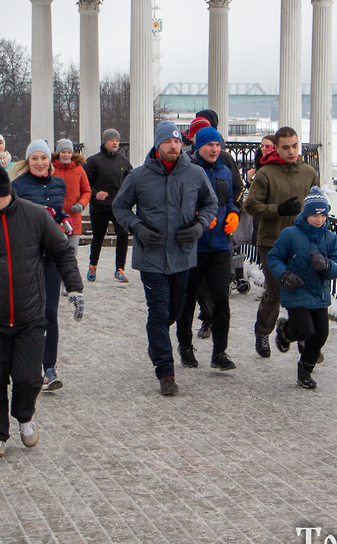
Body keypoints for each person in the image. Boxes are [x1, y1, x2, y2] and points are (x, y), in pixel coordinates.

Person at [0, 162, 84, 458]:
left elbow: (62, 251)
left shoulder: (35, 216)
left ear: (1, 194)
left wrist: (74, 287)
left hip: (30, 316)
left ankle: (24, 416)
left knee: (28, 378)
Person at [112, 121, 218, 396]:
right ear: (158, 145)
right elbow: (120, 206)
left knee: (174, 310)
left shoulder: (194, 174)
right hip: (152, 257)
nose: (174, 146)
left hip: (183, 256)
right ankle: (165, 372)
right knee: (158, 312)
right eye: (168, 142)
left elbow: (210, 203)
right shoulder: (139, 176)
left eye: (177, 142)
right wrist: (137, 227)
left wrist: (199, 226)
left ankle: (155, 340)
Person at [243, 126, 318, 358]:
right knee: (275, 291)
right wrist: (279, 209)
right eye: (285, 147)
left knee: (303, 294)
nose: (291, 151)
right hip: (272, 242)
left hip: (302, 243)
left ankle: (304, 341)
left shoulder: (309, 173)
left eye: (295, 145)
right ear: (276, 148)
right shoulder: (266, 174)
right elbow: (251, 206)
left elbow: (318, 202)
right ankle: (263, 331)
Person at [11, 139, 75, 391]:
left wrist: (64, 218)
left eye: (43, 158)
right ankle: (22, 364)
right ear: (28, 161)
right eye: (34, 158)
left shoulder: (59, 183)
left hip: (51, 254)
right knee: (25, 312)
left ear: (50, 160)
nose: (39, 163)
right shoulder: (17, 186)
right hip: (26, 256)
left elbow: (58, 211)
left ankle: (49, 367)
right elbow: (12, 217)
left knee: (50, 312)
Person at [175, 127, 238, 372]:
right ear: (198, 146)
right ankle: (186, 346)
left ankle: (219, 352)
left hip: (221, 245)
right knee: (187, 298)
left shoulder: (225, 170)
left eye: (218, 145)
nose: (214, 149)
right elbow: (180, 205)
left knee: (221, 299)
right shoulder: (188, 171)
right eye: (210, 145)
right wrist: (197, 217)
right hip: (195, 245)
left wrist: (234, 213)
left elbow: (230, 200)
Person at [267, 186, 337, 389]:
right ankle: (286, 330)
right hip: (296, 289)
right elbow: (274, 257)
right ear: (306, 215)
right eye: (314, 216)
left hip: (319, 292)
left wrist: (328, 265)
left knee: (320, 334)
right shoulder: (290, 234)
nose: (319, 220)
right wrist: (284, 275)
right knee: (304, 329)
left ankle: (305, 369)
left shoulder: (330, 239)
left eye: (323, 216)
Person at [84, 128, 132, 282]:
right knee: (98, 237)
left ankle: (120, 269)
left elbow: (130, 182)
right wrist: (95, 193)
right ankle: (93, 266)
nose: (115, 142)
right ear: (105, 142)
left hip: (118, 206)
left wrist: (127, 197)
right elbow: (84, 183)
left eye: (117, 140)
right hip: (99, 207)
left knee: (123, 234)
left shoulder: (123, 161)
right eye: (112, 140)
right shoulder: (93, 161)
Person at [53, 138, 91, 258]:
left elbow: (86, 191)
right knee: (60, 250)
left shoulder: (79, 169)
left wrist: (81, 204)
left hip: (74, 217)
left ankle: (70, 275)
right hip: (57, 217)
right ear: (58, 153)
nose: (66, 155)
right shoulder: (51, 169)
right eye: (63, 152)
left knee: (72, 253)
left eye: (69, 152)